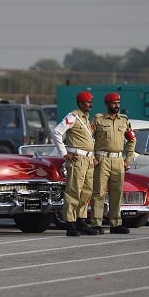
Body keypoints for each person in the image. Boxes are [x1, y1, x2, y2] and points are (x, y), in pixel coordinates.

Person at [51, 91, 99, 237]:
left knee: (86, 191)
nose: (90, 104)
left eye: (91, 102)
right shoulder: (73, 116)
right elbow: (56, 132)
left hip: (88, 159)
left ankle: (81, 221)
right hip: (77, 159)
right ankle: (70, 224)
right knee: (74, 191)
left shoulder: (85, 119)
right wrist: (65, 153)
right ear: (79, 103)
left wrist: (93, 156)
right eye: (86, 102)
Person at [90, 93, 136, 234]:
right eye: (113, 103)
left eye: (118, 103)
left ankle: (116, 224)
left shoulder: (124, 121)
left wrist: (127, 159)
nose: (116, 106)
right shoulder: (98, 120)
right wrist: (92, 156)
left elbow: (132, 139)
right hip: (102, 159)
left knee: (117, 193)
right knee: (99, 192)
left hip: (118, 160)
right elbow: (88, 139)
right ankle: (96, 223)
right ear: (107, 104)